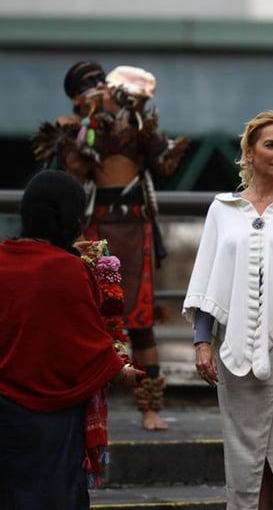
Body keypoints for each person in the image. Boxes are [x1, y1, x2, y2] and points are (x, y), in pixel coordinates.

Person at [183, 110, 273, 510]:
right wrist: (201, 341)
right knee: (245, 461)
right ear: (249, 153)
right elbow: (207, 278)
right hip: (234, 345)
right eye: (271, 145)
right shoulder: (223, 209)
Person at [31, 60, 190, 431]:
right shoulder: (75, 131)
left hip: (137, 229)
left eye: (101, 81)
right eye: (89, 85)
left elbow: (165, 162)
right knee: (89, 321)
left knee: (142, 321)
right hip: (95, 229)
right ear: (75, 95)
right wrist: (90, 127)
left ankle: (150, 407)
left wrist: (134, 119)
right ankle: (83, 407)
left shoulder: (132, 124)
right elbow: (74, 173)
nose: (99, 88)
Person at [0, 170, 144, 510]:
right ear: (68, 218)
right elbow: (87, 344)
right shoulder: (69, 270)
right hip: (49, 425)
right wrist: (121, 373)